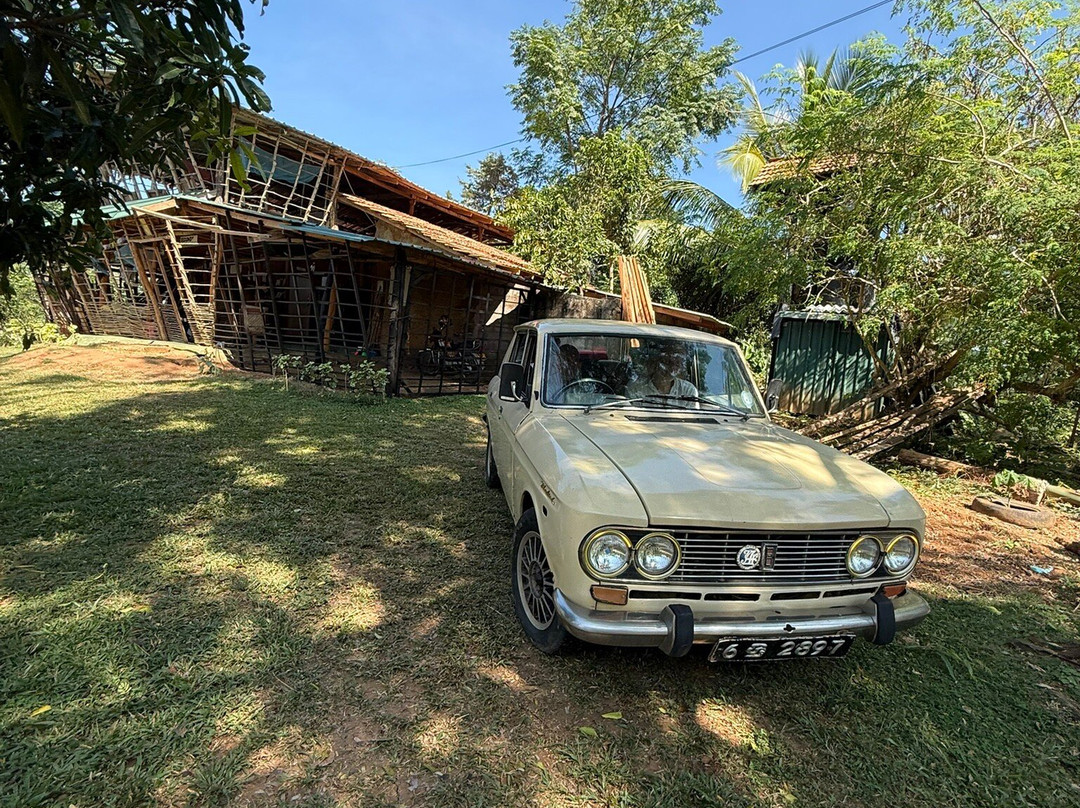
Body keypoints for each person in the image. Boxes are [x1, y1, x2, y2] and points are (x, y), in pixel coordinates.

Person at [627, 339, 699, 399]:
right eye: (667, 362)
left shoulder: (688, 390)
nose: (671, 368)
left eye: (677, 363)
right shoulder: (636, 388)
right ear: (656, 362)